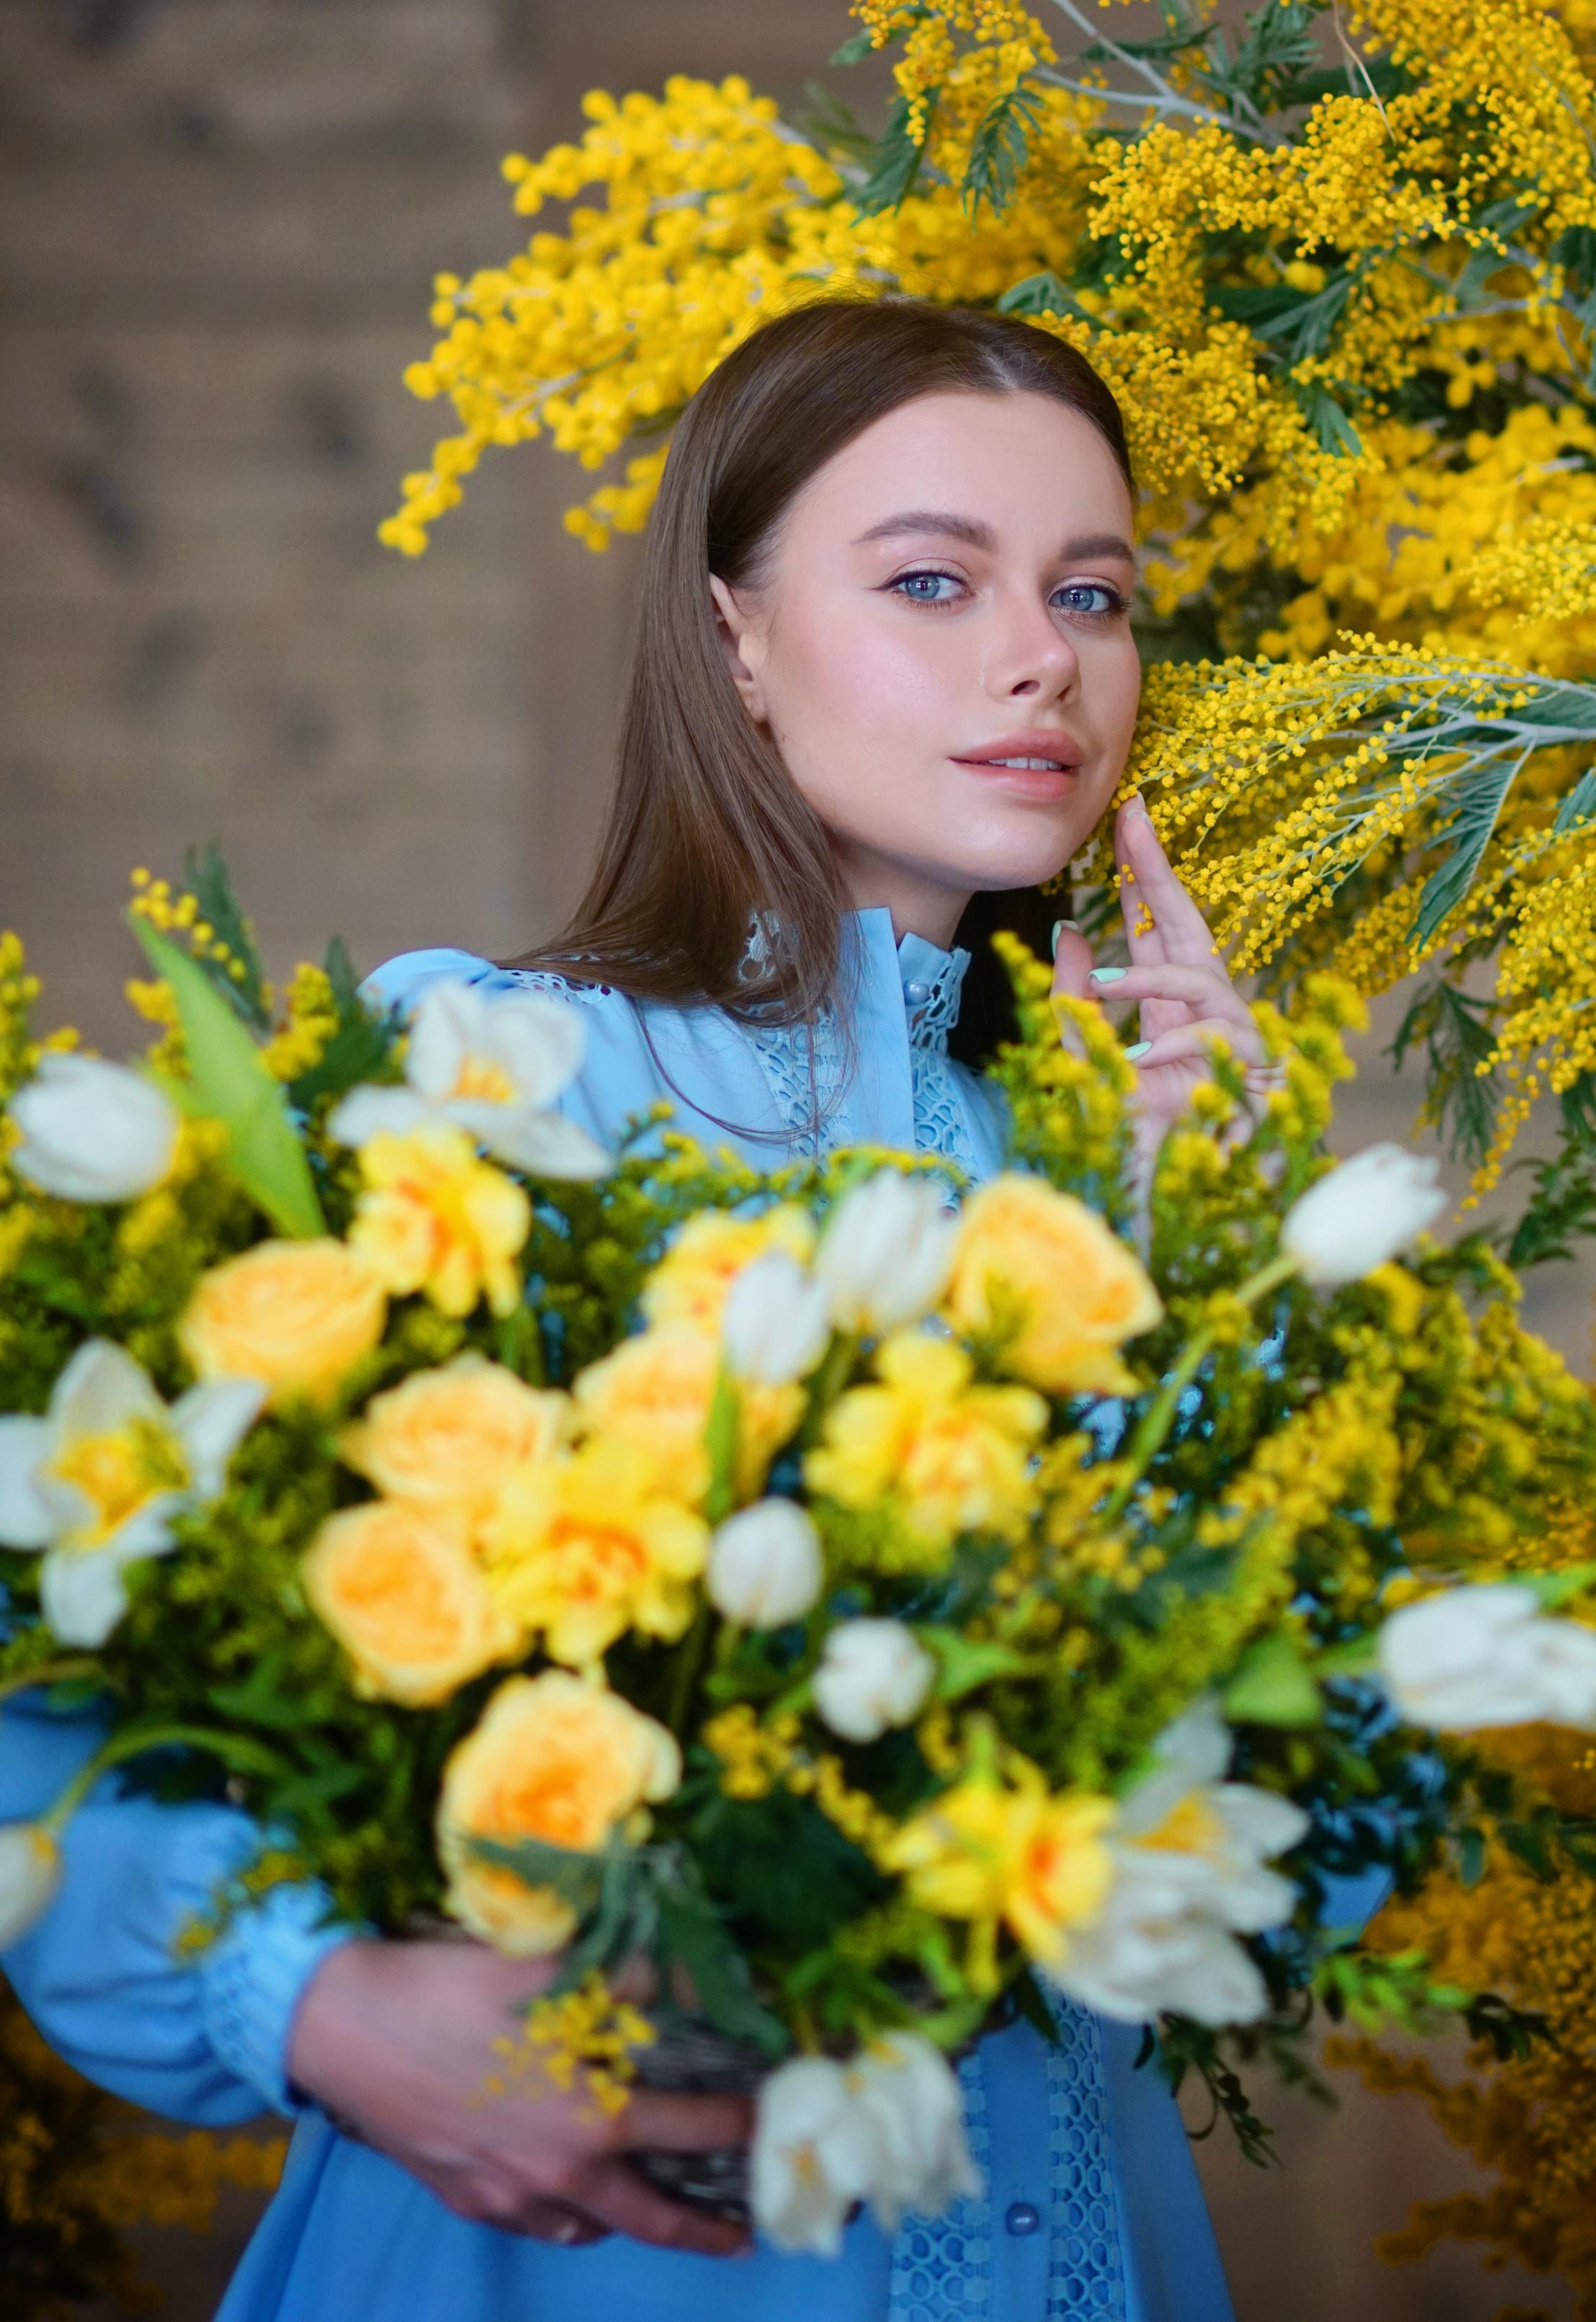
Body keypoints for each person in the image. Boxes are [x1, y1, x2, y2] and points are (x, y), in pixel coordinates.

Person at [3, 300, 1276, 2321]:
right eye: (933, 580)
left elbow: (1291, 1855)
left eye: (1095, 592)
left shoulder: (1117, 1183)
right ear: (734, 636)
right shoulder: (499, 1085)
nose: (1042, 654)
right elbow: (43, 1638)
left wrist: (1209, 1247)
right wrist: (313, 2003)